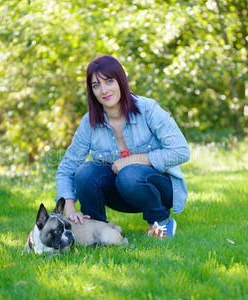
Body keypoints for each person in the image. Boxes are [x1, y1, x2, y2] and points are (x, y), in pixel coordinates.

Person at [55, 55, 189, 239]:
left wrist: (132, 160)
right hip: (120, 193)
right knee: (85, 171)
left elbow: (181, 151)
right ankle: (97, 229)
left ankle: (161, 223)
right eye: (96, 85)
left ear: (121, 81)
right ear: (91, 90)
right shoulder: (89, 122)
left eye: (109, 81)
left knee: (129, 174)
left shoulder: (148, 109)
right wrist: (69, 207)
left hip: (157, 189)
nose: (103, 90)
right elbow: (66, 169)